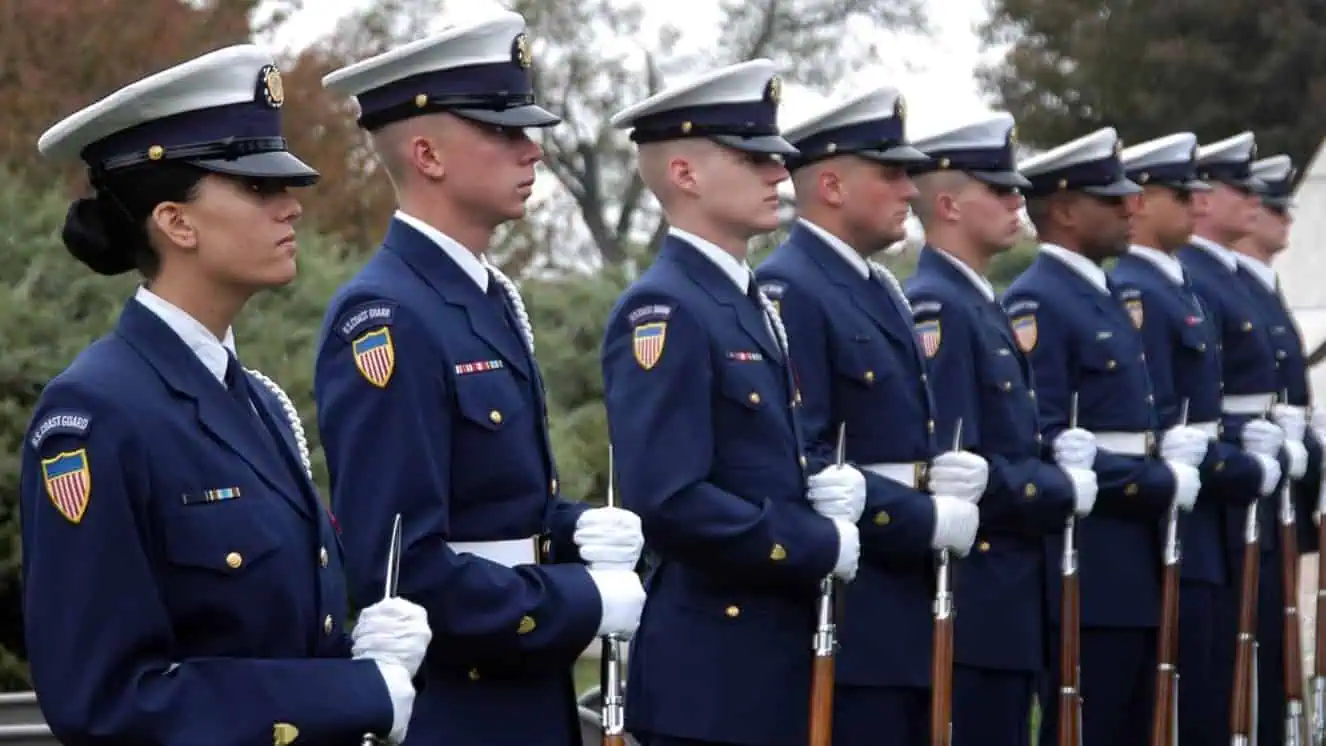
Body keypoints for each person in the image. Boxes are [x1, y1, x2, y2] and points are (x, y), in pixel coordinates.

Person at [21, 45, 431, 745]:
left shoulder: (257, 403)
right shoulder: (93, 416)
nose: (291, 207)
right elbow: (108, 699)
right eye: (256, 188)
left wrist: (362, 659)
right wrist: (352, 695)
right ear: (176, 222)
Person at [315, 11, 646, 746]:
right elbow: (401, 569)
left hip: (523, 696)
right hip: (463, 712)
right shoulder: (388, 316)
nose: (532, 150)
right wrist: (579, 601)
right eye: (502, 131)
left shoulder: (481, 298)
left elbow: (497, 509)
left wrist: (572, 527)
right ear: (427, 152)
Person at [601, 59, 865, 746]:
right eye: (754, 159)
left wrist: (814, 485)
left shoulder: (742, 299)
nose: (780, 174)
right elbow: (670, 498)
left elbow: (752, 460)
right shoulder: (665, 307)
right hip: (713, 678)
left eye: (776, 159)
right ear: (685, 173)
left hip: (765, 656)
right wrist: (816, 540)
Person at [755, 87, 988, 746]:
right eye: (890, 174)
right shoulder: (793, 287)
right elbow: (810, 457)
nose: (910, 191)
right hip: (857, 606)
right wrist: (921, 515)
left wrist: (939, 475)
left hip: (906, 604)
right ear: (830, 184)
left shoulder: (876, 287)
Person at [1002, 127, 1208, 746]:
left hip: (1138, 550)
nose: (1130, 207)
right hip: (1091, 558)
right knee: (1093, 721)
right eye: (1112, 200)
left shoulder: (1111, 292)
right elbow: (1048, 443)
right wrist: (1158, 477)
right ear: (1064, 210)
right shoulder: (1038, 300)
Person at [903, 113, 1094, 746]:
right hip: (980, 589)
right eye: (1001, 190)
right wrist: (1056, 486)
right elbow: (959, 461)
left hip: (1009, 592)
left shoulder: (978, 300)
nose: (1020, 202)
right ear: (951, 205)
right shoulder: (940, 305)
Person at [1108, 132, 1281, 746]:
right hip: (1178, 514)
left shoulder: (1178, 284)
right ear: (1142, 202)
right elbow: (1154, 418)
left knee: (1213, 687)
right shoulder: (1138, 291)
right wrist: (1231, 461)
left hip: (1210, 512)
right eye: (1181, 194)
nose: (1196, 204)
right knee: (1183, 699)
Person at [1180, 132, 1296, 746]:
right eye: (1240, 188)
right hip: (1226, 492)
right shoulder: (1198, 278)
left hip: (1258, 480)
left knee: (1261, 657)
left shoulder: (1231, 279)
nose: (1256, 201)